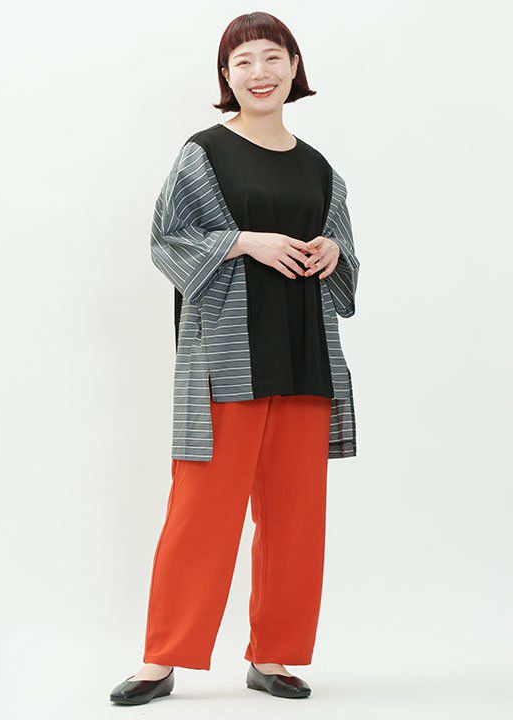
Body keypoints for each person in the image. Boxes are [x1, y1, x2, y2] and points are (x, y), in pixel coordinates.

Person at [110, 11, 360, 706]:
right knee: (201, 512)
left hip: (305, 355)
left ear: (294, 67)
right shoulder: (205, 153)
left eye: (272, 57)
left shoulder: (320, 168)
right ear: (226, 75)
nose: (260, 72)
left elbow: (343, 257)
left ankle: (273, 656)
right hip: (228, 357)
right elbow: (166, 239)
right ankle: (161, 659)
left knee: (296, 517)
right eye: (243, 60)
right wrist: (244, 241)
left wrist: (333, 251)